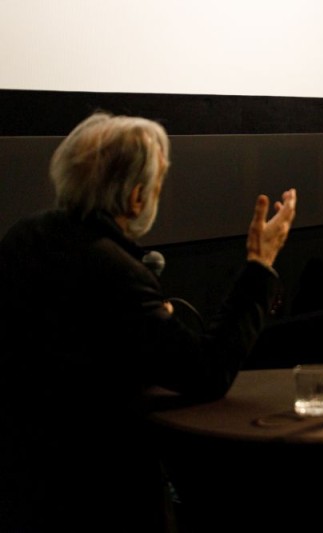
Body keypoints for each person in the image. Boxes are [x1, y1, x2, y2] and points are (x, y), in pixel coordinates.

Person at [0, 112, 297, 533]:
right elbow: (207, 371)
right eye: (159, 182)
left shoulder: (22, 237)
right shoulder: (114, 269)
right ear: (137, 197)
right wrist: (260, 265)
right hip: (97, 496)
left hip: (20, 484)